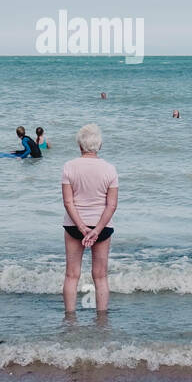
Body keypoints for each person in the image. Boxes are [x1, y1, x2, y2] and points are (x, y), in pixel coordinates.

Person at [61, 123, 119, 316]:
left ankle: (70, 318)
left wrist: (82, 227)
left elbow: (68, 203)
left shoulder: (69, 167)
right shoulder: (110, 169)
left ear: (80, 146)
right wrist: (95, 230)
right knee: (100, 276)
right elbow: (111, 205)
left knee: (71, 275)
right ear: (99, 146)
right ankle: (101, 319)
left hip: (74, 225)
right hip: (102, 226)